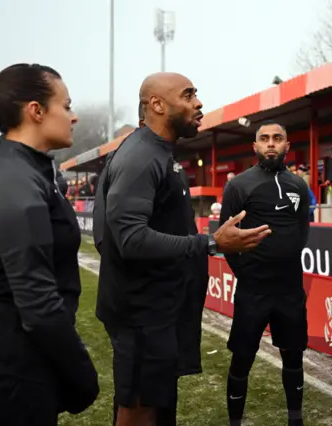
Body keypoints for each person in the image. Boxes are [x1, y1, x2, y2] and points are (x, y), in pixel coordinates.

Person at [96, 72, 272, 426]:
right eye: (189, 94)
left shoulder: (157, 152)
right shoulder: (141, 156)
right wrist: (209, 243)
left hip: (158, 312)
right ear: (157, 105)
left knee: (158, 409)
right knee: (139, 411)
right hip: (142, 315)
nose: (199, 102)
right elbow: (128, 238)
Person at [0, 64, 99, 426]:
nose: (74, 117)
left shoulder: (27, 169)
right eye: (67, 105)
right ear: (36, 110)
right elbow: (37, 301)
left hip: (19, 367)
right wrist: (81, 373)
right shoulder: (12, 175)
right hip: (2, 376)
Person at [220, 121, 310, 426]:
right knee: (242, 358)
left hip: (289, 289)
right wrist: (247, 273)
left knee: (294, 355)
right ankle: (235, 422)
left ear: (287, 145)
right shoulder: (238, 186)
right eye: (264, 139)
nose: (271, 143)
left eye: (277, 138)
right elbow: (226, 238)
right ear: (255, 147)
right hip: (253, 291)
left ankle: (295, 420)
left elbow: (302, 233)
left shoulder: (299, 185)